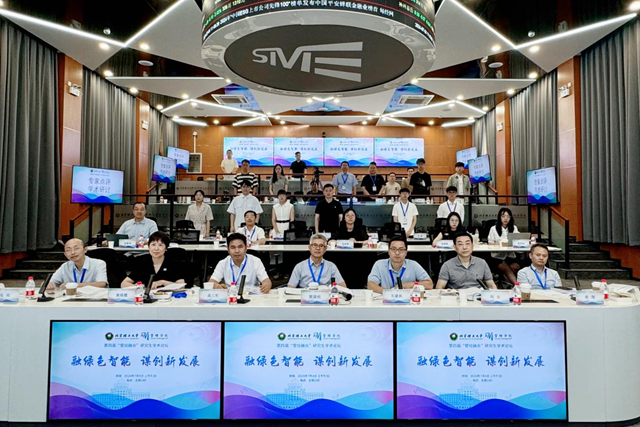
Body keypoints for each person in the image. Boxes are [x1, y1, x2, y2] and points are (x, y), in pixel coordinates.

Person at [367, 236, 433, 293]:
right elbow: (370, 284)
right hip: (385, 300)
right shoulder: (379, 264)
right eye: (393, 249)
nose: (397, 253)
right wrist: (385, 292)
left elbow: (429, 284)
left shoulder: (413, 265)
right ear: (388, 251)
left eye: (401, 250)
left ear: (406, 252)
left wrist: (410, 284)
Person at [121, 231, 186, 289]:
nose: (156, 248)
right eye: (153, 245)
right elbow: (124, 284)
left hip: (169, 297)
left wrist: (163, 282)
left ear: (166, 248)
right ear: (149, 247)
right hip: (147, 296)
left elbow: (181, 286)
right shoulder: (143, 263)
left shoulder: (173, 263)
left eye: (160, 245)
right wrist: (137, 287)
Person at [487, 207, 521, 285]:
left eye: (508, 216)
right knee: (506, 268)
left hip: (510, 255)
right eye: (503, 216)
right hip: (497, 256)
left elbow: (518, 240)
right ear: (499, 217)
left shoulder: (514, 228)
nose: (505, 218)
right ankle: (516, 285)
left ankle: (506, 281)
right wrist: (500, 244)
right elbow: (490, 243)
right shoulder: (493, 228)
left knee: (515, 266)